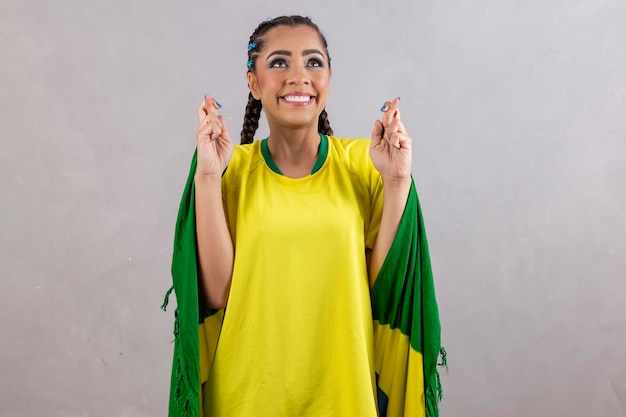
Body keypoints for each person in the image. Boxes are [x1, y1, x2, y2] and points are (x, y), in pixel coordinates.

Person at [164, 15, 444, 417]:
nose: (299, 76)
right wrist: (207, 176)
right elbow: (215, 294)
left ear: (329, 77)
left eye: (314, 62)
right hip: (247, 394)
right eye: (279, 63)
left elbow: (383, 290)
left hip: (342, 391)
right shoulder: (228, 168)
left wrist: (397, 181)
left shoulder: (367, 164)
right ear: (254, 82)